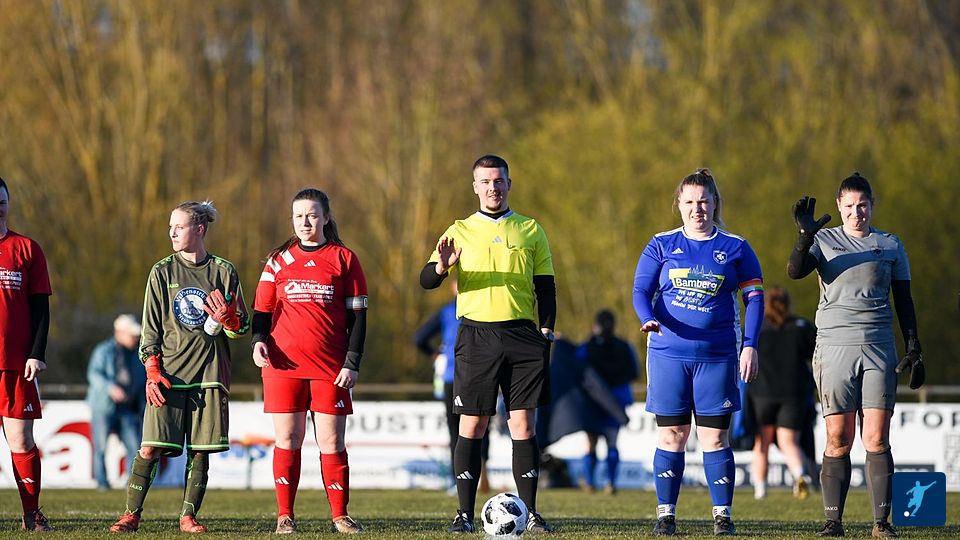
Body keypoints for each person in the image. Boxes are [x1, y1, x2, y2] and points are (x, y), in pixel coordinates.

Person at [420, 155, 557, 534]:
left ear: (509, 184)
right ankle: (463, 514)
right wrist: (441, 267)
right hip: (476, 336)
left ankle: (530, 513)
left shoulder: (530, 229)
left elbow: (546, 286)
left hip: (522, 336)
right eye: (485, 181)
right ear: (475, 187)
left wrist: (546, 330)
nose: (492, 187)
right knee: (473, 423)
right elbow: (426, 280)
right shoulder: (459, 230)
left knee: (523, 425)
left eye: (499, 181)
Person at [787, 172, 924, 539]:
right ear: (839, 206)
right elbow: (795, 271)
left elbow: (904, 300)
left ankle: (881, 523)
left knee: (876, 437)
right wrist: (804, 237)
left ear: (871, 205)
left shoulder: (890, 245)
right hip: (834, 347)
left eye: (862, 205)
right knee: (839, 437)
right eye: (849, 205)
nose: (856, 212)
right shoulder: (824, 240)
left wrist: (914, 344)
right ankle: (833, 522)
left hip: (878, 347)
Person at [632, 168, 764, 536]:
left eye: (703, 201)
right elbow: (640, 290)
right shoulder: (661, 244)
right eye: (689, 202)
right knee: (672, 435)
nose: (697, 209)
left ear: (715, 203)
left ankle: (722, 516)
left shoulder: (737, 247)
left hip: (718, 357)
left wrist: (750, 345)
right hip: (668, 355)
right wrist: (646, 318)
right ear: (678, 204)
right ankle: (666, 515)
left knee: (714, 438)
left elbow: (754, 300)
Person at [110, 200, 249, 533]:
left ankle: (188, 517)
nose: (172, 232)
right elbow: (150, 329)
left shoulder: (224, 271)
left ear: (199, 229)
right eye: (170, 227)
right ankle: (131, 515)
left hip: (209, 376)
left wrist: (230, 319)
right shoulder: (161, 271)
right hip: (169, 375)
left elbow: (240, 328)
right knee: (150, 446)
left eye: (179, 226)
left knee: (200, 451)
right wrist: (152, 370)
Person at [252, 188, 368, 535]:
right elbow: (262, 311)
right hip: (282, 367)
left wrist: (352, 362)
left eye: (312, 215)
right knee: (288, 439)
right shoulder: (278, 260)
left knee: (331, 443)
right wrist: (258, 342)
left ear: (326, 218)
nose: (305, 222)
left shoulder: (344, 258)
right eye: (299, 216)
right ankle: (284, 516)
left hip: (331, 368)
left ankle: (340, 516)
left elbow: (359, 317)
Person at [0, 176, 53, 531]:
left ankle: (31, 514)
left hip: (16, 364)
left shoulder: (27, 248)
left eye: (1, 201)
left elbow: (40, 309)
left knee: (21, 440)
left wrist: (37, 353)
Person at [412, 282, 491, 493]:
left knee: (457, 430)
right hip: (479, 374)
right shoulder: (484, 306)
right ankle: (482, 473)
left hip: (453, 376)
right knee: (482, 425)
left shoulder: (448, 310)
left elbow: (419, 339)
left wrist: (436, 354)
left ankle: (458, 480)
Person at [747, 286, 816, 500]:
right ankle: (800, 475)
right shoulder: (802, 327)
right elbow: (815, 356)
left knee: (762, 443)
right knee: (789, 442)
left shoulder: (756, 328)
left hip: (762, 394)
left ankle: (760, 489)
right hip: (793, 394)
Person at [576, 309, 638, 494]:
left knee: (591, 441)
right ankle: (610, 483)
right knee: (612, 441)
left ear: (596, 325)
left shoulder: (587, 347)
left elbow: (577, 370)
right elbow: (634, 372)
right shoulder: (624, 346)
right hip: (616, 402)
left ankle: (589, 482)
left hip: (593, 401)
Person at [87, 314, 147, 490]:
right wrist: (110, 388)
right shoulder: (103, 350)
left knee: (134, 446)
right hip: (104, 407)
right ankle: (102, 483)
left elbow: (141, 380)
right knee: (101, 447)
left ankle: (132, 483)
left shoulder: (138, 353)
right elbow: (94, 374)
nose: (136, 338)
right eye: (132, 334)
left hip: (128, 408)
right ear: (120, 333)